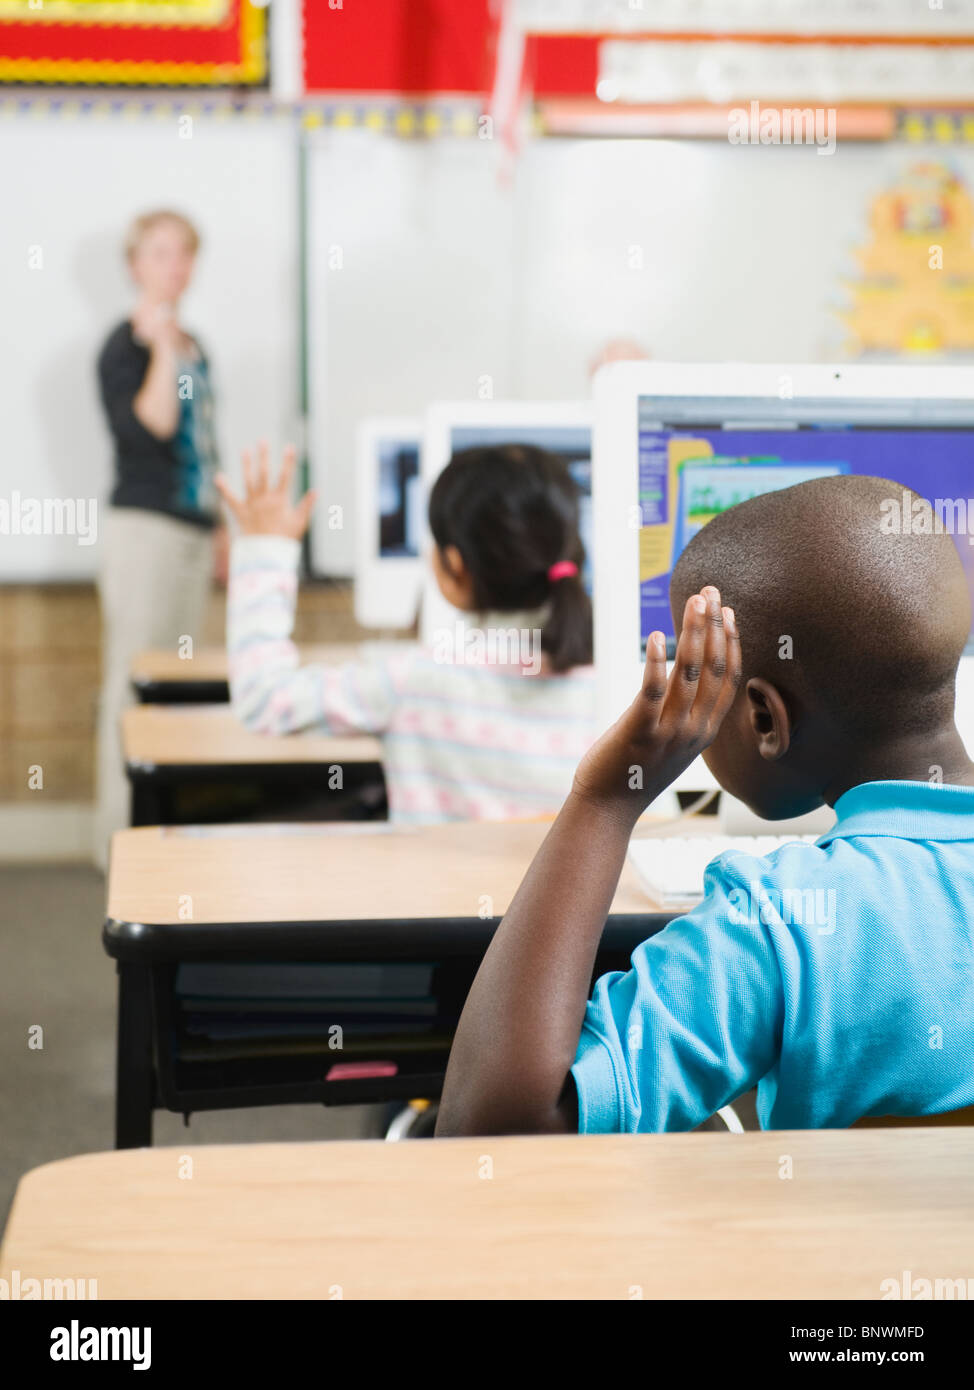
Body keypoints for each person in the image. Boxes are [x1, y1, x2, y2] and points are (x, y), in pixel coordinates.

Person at [436, 474, 974, 1134]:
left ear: (763, 719)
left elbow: (496, 1130)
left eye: (704, 679)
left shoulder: (781, 926)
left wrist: (604, 801)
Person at [216, 441, 596, 823]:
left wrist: (267, 549)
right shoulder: (622, 687)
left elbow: (265, 699)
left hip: (437, 886)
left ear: (453, 566)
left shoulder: (415, 679)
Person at [93, 210, 223, 867]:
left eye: (184, 254)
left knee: (176, 694)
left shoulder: (197, 344)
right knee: (132, 684)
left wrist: (222, 530)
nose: (175, 266)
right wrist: (161, 346)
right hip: (143, 533)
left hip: (192, 534)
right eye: (161, 254)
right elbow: (154, 424)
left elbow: (203, 445)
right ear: (136, 264)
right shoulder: (126, 345)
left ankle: (162, 844)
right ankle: (118, 847)